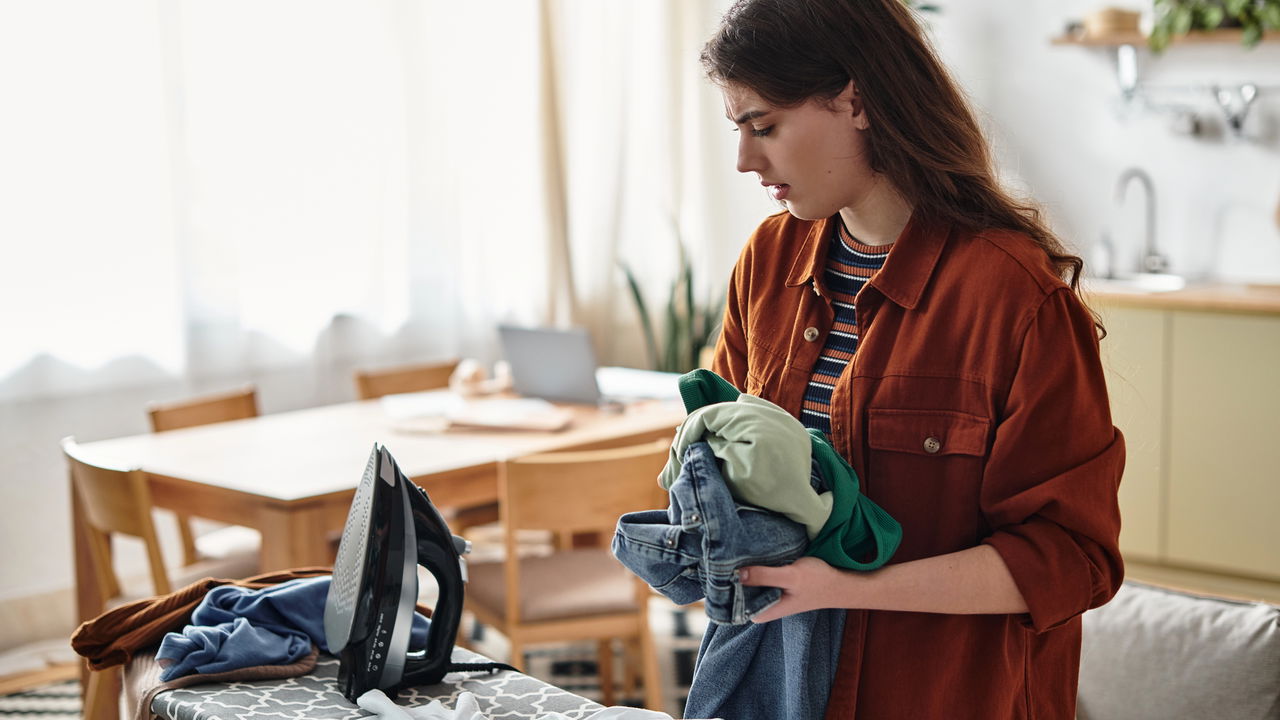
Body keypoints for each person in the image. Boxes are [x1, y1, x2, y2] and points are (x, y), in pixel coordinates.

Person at [700, 0, 1125, 718]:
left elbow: (1072, 559)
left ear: (855, 101)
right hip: (779, 683)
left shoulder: (1015, 298)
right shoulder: (768, 262)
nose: (746, 159)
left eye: (764, 126)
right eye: (738, 129)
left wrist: (845, 587)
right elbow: (732, 458)